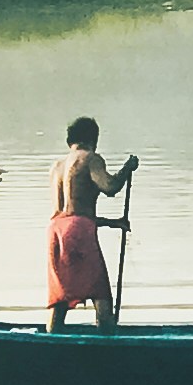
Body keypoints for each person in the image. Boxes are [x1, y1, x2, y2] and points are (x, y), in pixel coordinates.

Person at [46, 112, 138, 330]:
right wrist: (127, 168)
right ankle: (106, 340)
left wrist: (113, 223)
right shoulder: (90, 158)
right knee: (100, 293)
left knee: (60, 297)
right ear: (93, 139)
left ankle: (50, 340)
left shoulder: (56, 167)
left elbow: (70, 214)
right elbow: (110, 187)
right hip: (79, 231)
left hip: (55, 230)